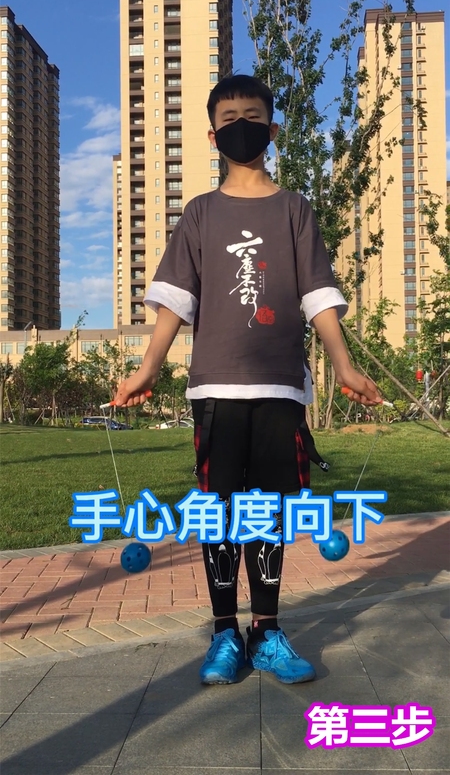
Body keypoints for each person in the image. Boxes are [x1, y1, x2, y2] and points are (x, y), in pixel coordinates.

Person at [114, 74, 382, 686]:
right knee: (218, 513)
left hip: (281, 386)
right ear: (213, 136)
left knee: (265, 512)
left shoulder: (294, 209)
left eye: (252, 117)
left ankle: (266, 631)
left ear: (272, 129)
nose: (241, 127)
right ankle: (223, 634)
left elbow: (318, 296)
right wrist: (147, 368)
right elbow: (175, 301)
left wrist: (344, 364)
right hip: (216, 389)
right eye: (229, 119)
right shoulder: (200, 213)